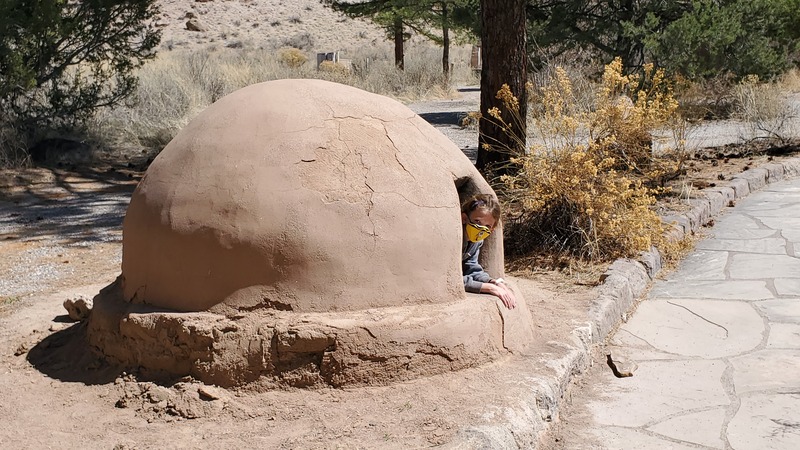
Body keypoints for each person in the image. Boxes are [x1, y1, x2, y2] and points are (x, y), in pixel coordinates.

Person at [461, 194, 517, 309]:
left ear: (492, 230)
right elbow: (448, 278)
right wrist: (487, 288)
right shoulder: (454, 238)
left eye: (487, 226)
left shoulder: (476, 241)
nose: (481, 228)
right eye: (477, 221)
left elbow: (472, 268)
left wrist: (493, 282)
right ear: (464, 218)